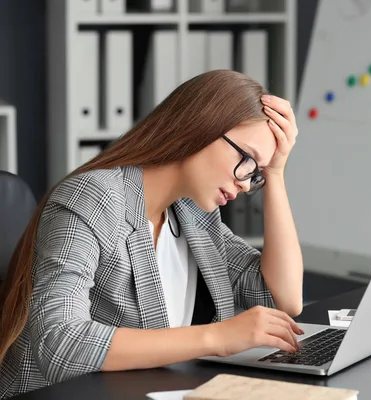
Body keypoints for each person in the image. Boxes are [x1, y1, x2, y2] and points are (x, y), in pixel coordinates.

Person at [0, 69, 305, 398]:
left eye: (255, 173)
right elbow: (59, 343)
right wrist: (217, 337)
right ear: (201, 126)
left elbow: (282, 298)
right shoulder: (94, 197)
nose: (245, 184)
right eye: (245, 159)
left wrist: (275, 172)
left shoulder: (193, 213)